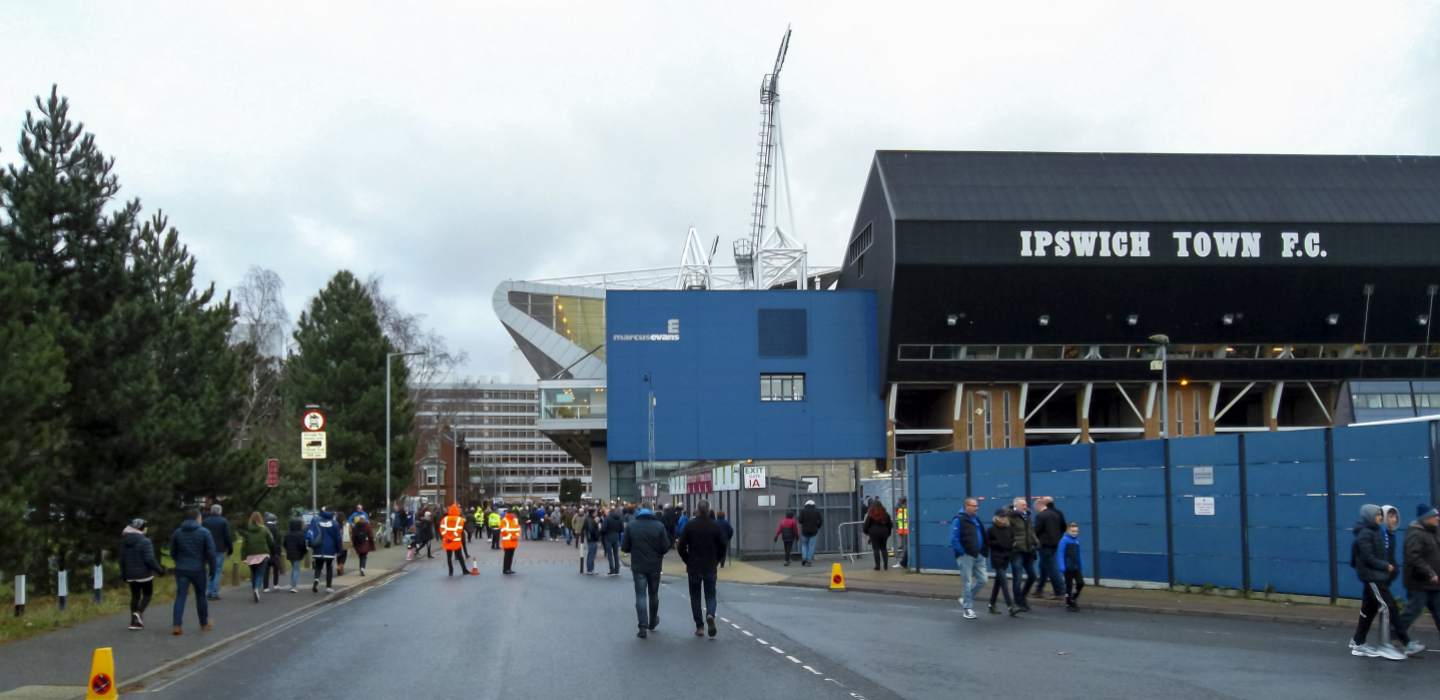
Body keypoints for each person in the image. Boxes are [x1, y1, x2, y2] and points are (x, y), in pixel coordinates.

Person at [1350, 504, 1414, 659]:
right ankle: (1385, 645)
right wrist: (1386, 566)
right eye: (1379, 515)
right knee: (1387, 606)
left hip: (1376, 576)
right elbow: (1367, 557)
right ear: (1371, 516)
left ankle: (1358, 643)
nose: (1381, 517)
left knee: (1368, 610)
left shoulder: (1376, 531)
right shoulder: (1366, 533)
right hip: (1372, 576)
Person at [677, 499, 727, 637]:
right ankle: (710, 614)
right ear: (710, 510)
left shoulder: (690, 526)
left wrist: (687, 560)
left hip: (694, 566)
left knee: (695, 596)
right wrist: (717, 560)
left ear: (697, 510)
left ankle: (699, 626)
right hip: (710, 566)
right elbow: (723, 546)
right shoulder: (715, 527)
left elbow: (681, 546)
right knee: (710, 594)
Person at [622, 501, 671, 638]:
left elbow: (624, 547)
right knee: (653, 594)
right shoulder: (659, 526)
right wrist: (658, 553)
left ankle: (642, 625)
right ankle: (653, 620)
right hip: (655, 565)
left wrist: (635, 549)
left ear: (640, 510)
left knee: (640, 594)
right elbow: (666, 547)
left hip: (638, 565)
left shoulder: (632, 526)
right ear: (652, 510)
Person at [169, 507, 216, 635]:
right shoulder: (205, 532)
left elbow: (173, 552)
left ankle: (177, 625)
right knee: (200, 596)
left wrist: (179, 560)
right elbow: (211, 553)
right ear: (197, 519)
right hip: (198, 568)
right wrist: (213, 568)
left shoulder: (177, 533)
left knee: (180, 596)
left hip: (181, 568)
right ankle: (203, 624)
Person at [1401, 504, 1440, 641]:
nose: (1438, 518)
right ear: (1426, 518)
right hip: (1419, 583)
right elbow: (1413, 557)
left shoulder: (1430, 532)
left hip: (1432, 584)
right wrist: (1430, 573)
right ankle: (1393, 635)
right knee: (1413, 611)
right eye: (1434, 516)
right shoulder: (1416, 534)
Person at [120, 518, 164, 630]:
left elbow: (122, 559)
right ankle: (138, 613)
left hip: (130, 574)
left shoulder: (124, 541)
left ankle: (134, 623)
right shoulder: (145, 541)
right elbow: (149, 559)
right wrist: (159, 570)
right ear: (141, 528)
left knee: (135, 596)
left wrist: (124, 574)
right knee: (148, 594)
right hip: (144, 574)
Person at [950, 498, 988, 619]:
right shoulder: (959, 520)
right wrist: (962, 552)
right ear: (967, 506)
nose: (976, 508)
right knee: (967, 582)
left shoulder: (977, 519)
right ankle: (967, 608)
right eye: (973, 506)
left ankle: (966, 598)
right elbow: (954, 538)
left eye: (977, 506)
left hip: (979, 554)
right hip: (966, 556)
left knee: (983, 580)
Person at [1007, 497, 1040, 612]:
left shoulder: (1027, 516)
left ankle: (1023, 596)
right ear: (1016, 506)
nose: (1025, 506)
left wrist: (1036, 542)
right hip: (1016, 551)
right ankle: (1018, 602)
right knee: (1018, 577)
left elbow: (1030, 531)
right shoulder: (1010, 517)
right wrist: (1012, 543)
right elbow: (1006, 532)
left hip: (1027, 550)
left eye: (1025, 504)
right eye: (1022, 505)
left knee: (1032, 576)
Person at [1034, 496, 1067, 599]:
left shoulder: (1041, 516)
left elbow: (1036, 532)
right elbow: (1063, 528)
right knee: (1043, 568)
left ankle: (1060, 591)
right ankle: (1039, 590)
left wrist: (1034, 542)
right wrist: (1057, 538)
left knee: (1052, 569)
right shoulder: (1056, 514)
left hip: (1044, 546)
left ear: (1039, 505)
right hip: (1054, 545)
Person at [239, 511, 275, 604]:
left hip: (251, 555)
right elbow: (271, 542)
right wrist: (272, 551)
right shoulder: (265, 530)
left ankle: (254, 590)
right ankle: (257, 589)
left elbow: (244, 545)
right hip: (263, 554)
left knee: (253, 573)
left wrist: (243, 557)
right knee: (260, 573)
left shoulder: (247, 531)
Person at [985, 509, 1015, 615]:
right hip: (997, 558)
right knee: (1004, 582)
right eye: (1001, 517)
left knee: (998, 582)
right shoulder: (992, 529)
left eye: (1004, 517)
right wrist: (999, 543)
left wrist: (1009, 545)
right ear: (996, 518)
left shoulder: (1008, 529)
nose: (1003, 519)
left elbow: (1012, 540)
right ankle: (1010, 606)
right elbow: (987, 542)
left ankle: (991, 605)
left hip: (1006, 558)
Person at [307, 506, 343, 593]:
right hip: (330, 550)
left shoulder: (317, 522)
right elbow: (338, 538)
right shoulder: (334, 524)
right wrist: (339, 550)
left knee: (318, 566)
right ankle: (328, 587)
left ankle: (316, 579)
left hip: (318, 548)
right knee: (329, 568)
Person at [200, 504, 232, 600]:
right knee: (217, 570)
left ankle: (208, 591)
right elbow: (227, 536)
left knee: (209, 570)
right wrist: (230, 549)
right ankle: (214, 592)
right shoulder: (223, 521)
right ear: (220, 512)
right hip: (219, 548)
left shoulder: (204, 522)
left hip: (207, 549)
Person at [1060, 522, 1085, 611]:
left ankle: (1073, 599)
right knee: (1069, 585)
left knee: (1080, 583)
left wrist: (1081, 564)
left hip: (1076, 566)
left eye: (1076, 531)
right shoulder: (1064, 540)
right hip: (1068, 567)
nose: (1074, 533)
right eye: (1072, 531)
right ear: (1068, 531)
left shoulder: (1077, 540)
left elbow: (1080, 553)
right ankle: (1068, 604)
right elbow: (1061, 554)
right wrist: (1062, 567)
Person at [440, 504, 470, 576]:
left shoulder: (444, 519)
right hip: (456, 541)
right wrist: (452, 538)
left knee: (449, 557)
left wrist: (447, 537)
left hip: (447, 541)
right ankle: (464, 570)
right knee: (460, 556)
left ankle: (450, 571)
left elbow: (442, 530)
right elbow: (458, 531)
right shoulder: (460, 520)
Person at [863, 502, 893, 571]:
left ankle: (877, 566)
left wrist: (867, 532)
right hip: (884, 533)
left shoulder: (871, 515)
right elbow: (890, 525)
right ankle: (885, 565)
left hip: (874, 534)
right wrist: (888, 533)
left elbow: (866, 525)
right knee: (884, 549)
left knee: (876, 549)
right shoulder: (886, 514)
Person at [282, 517, 308, 592]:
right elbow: (302, 545)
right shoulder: (301, 534)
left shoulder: (288, 535)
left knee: (294, 568)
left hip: (290, 554)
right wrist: (304, 552)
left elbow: (284, 544)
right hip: (298, 554)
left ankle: (293, 585)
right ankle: (293, 586)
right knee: (295, 570)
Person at [797, 499, 824, 567]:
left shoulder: (803, 510)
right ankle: (809, 561)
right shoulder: (816, 510)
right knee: (811, 546)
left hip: (805, 531)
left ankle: (804, 557)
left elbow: (799, 520)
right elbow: (821, 520)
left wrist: (803, 523)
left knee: (804, 545)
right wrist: (818, 526)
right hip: (814, 531)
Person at [602, 506, 625, 576]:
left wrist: (604, 533)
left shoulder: (607, 519)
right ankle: (617, 570)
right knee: (616, 554)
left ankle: (612, 570)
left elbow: (603, 529)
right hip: (616, 537)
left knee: (609, 554)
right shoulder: (619, 519)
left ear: (609, 512)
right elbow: (622, 529)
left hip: (608, 537)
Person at [263, 513, 283, 592]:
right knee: (276, 568)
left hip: (265, 551)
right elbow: (278, 540)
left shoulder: (264, 527)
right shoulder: (275, 528)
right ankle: (275, 584)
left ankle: (265, 586)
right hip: (274, 551)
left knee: (266, 570)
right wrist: (278, 551)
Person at [500, 508, 522, 574]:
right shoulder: (504, 520)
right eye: (512, 514)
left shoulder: (515, 520)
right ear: (509, 514)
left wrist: (516, 536)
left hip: (513, 540)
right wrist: (512, 536)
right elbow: (503, 530)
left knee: (510, 556)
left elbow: (518, 529)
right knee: (507, 556)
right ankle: (505, 569)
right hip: (507, 540)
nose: (513, 515)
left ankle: (509, 568)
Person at [583, 508, 602, 574]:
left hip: (590, 538)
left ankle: (589, 568)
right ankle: (590, 569)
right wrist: (596, 537)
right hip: (592, 539)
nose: (596, 514)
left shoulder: (588, 519)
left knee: (590, 554)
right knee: (592, 554)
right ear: (592, 513)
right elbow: (592, 530)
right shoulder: (590, 520)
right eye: (595, 512)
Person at [895, 498, 908, 569]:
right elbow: (900, 517)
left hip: (906, 530)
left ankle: (898, 554)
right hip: (903, 530)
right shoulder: (900, 510)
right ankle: (898, 554)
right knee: (905, 545)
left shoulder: (906, 510)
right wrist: (906, 519)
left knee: (905, 545)